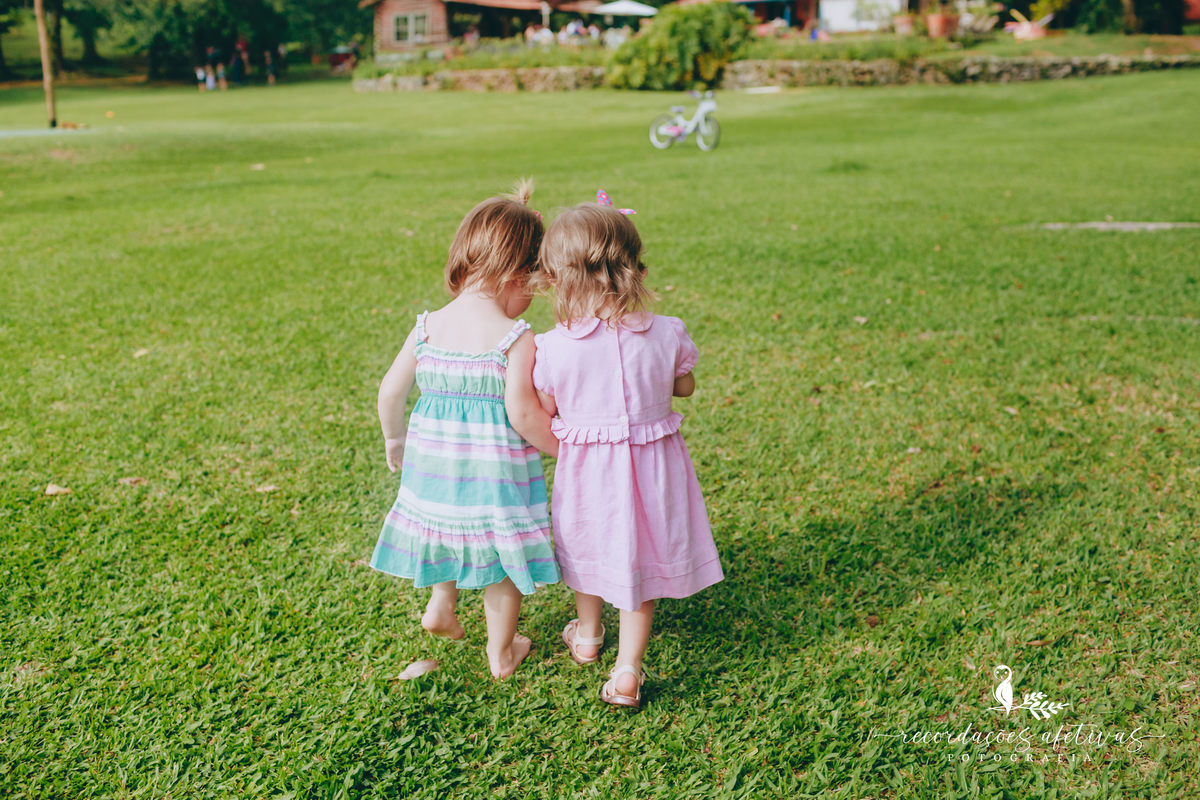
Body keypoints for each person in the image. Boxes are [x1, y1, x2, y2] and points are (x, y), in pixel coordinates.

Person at [531, 193, 724, 709]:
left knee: (590, 550)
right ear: (634, 268)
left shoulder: (553, 347)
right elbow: (684, 387)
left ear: (558, 278)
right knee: (640, 560)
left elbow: (548, 405)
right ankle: (627, 669)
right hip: (654, 471)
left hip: (589, 474)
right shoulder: (666, 332)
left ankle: (589, 636)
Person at [371, 181, 560, 680]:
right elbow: (523, 414)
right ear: (515, 275)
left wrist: (395, 438)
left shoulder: (428, 325)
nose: (531, 301)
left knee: (445, 534)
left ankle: (440, 606)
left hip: (433, 476)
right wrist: (565, 449)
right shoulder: (515, 338)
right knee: (500, 566)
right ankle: (501, 652)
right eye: (532, 287)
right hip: (494, 481)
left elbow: (390, 392)